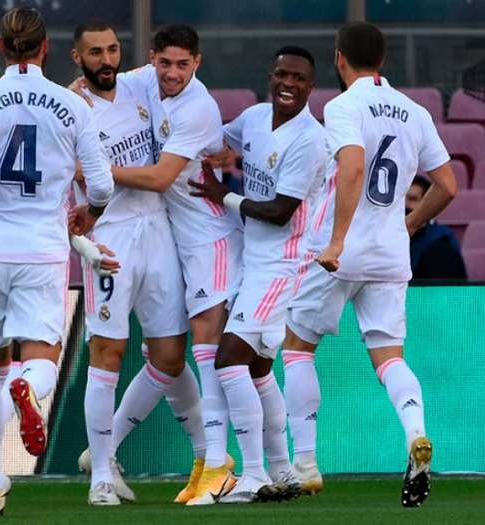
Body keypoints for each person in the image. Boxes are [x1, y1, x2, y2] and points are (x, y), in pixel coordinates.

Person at [0, 7, 114, 516]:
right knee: (39, 357)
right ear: (45, 47)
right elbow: (101, 184)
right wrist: (90, 214)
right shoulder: (71, 105)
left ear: (3, 49)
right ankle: (27, 386)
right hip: (42, 251)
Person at [280, 22, 457, 507]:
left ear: (340, 59)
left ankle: (306, 465)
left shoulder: (341, 106)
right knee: (390, 357)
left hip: (343, 250)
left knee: (297, 348)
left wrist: (336, 241)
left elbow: (353, 167)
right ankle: (415, 433)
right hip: (389, 251)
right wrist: (412, 224)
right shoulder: (414, 110)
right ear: (383, 60)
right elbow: (447, 184)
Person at [90, 24, 244, 506]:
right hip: (174, 238)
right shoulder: (143, 82)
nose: (172, 73)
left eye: (183, 65)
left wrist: (94, 170)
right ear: (152, 58)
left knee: (210, 356)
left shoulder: (197, 107)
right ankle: (207, 458)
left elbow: (158, 179)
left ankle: (226, 463)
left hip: (211, 239)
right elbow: (91, 84)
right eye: (165, 63)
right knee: (171, 357)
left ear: (197, 63)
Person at [68, 21, 204, 506]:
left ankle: (206, 459)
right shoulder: (71, 107)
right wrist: (80, 244)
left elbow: (181, 72)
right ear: (76, 57)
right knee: (106, 352)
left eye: (112, 49)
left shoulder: (141, 82)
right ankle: (101, 475)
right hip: (110, 238)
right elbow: (63, 188)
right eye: (95, 53)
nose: (106, 60)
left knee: (169, 356)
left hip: (158, 230)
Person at [188, 46, 327, 503]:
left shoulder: (310, 139)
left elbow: (280, 211)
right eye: (282, 74)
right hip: (256, 260)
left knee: (228, 361)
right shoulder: (253, 118)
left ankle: (250, 474)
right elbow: (215, 142)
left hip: (283, 265)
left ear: (311, 85)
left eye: (299, 78)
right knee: (261, 370)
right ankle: (283, 471)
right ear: (272, 76)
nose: (288, 83)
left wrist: (220, 193)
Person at [406, 175, 466, 280]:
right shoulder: (389, 236)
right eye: (400, 199)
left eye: (412, 199)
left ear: (427, 204)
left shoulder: (440, 244)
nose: (404, 205)